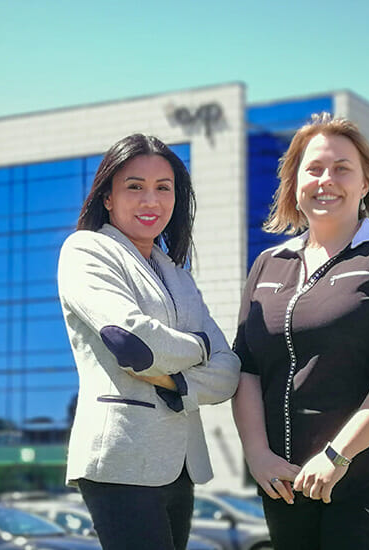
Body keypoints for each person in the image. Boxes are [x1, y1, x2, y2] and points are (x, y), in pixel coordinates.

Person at [232, 114, 369, 550]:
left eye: (342, 168)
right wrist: (257, 454)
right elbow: (246, 366)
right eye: (314, 169)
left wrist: (337, 454)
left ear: (365, 184)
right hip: (286, 481)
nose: (327, 179)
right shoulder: (268, 264)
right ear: (294, 183)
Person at [57, 133, 241, 550]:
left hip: (180, 462)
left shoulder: (176, 273)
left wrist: (180, 383)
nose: (150, 201)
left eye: (163, 188)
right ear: (107, 196)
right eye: (134, 186)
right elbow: (132, 344)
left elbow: (229, 370)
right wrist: (200, 346)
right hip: (121, 457)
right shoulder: (88, 250)